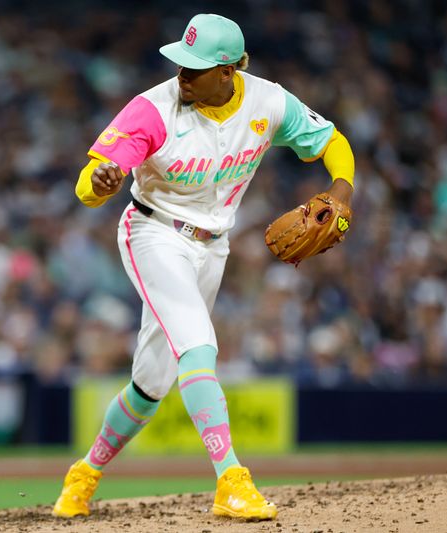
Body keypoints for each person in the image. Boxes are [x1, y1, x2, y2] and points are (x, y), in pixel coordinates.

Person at [53, 13, 354, 521]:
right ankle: (231, 480)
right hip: (152, 233)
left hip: (213, 247)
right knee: (199, 344)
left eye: (195, 68)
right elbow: (88, 183)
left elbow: (332, 142)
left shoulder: (267, 102)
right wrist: (97, 185)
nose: (182, 75)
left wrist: (341, 192)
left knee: (151, 384)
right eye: (180, 64)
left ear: (232, 69)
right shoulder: (152, 109)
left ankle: (84, 474)